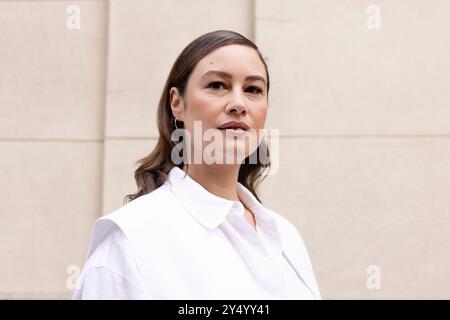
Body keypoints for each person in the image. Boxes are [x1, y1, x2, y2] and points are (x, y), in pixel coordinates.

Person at [72, 30, 321, 300]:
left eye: (253, 90)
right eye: (217, 85)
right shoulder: (129, 241)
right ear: (177, 103)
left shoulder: (286, 237)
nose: (238, 103)